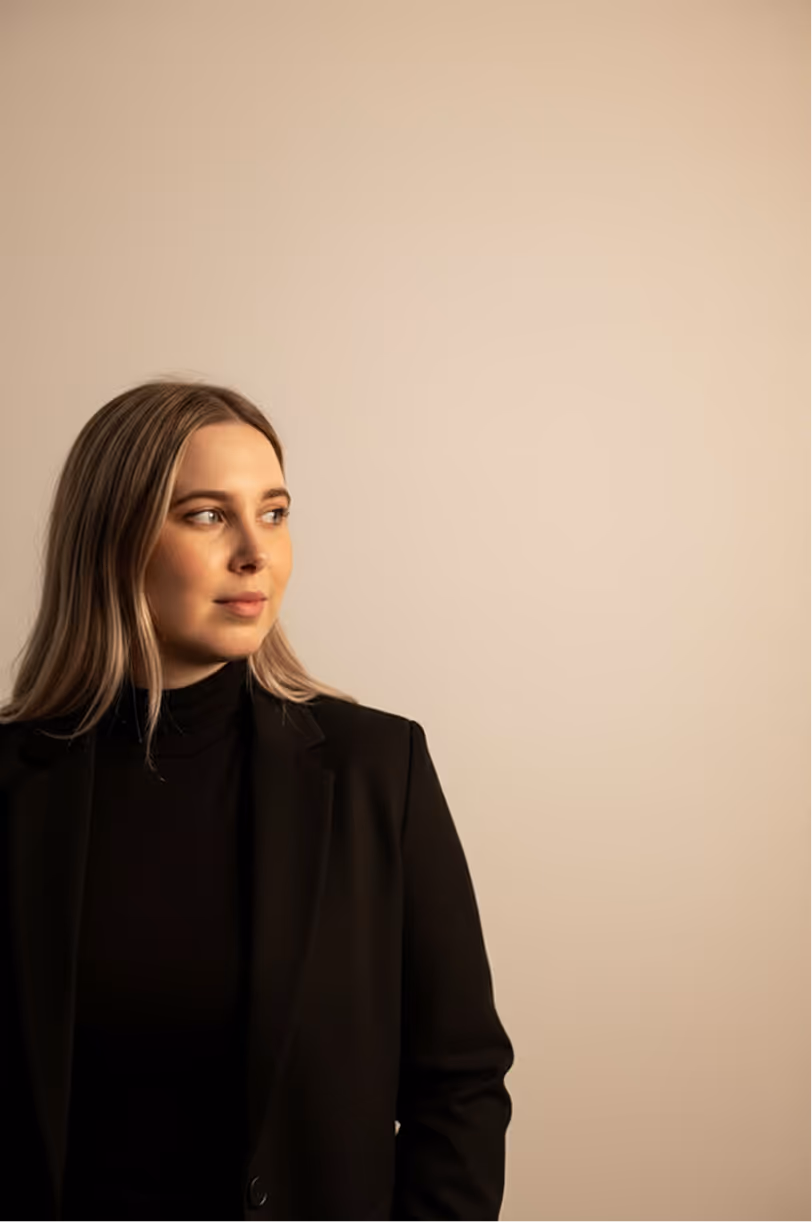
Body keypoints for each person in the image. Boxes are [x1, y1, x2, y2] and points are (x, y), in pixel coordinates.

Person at [0, 379, 514, 1222]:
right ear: (112, 538)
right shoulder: (14, 788)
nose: (256, 553)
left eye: (273, 513)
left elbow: (458, 1085)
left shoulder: (379, 770)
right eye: (207, 515)